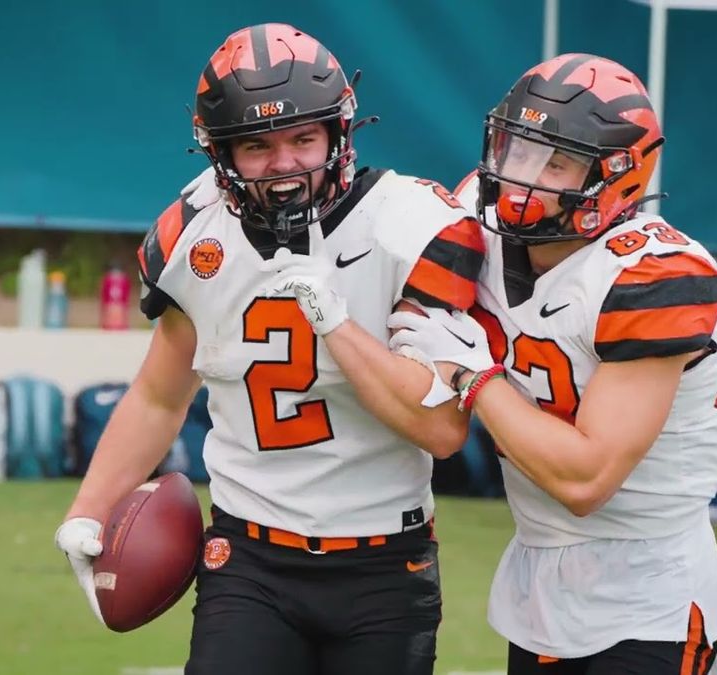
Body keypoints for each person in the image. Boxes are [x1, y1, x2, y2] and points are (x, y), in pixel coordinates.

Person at [55, 23, 486, 675]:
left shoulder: (410, 225)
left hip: (383, 565)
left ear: (340, 134)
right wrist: (88, 512)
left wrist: (338, 327)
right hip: (248, 560)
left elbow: (441, 428)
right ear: (220, 152)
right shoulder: (193, 236)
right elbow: (158, 394)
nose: (284, 163)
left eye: (303, 138)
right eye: (257, 144)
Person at [390, 53, 717, 674]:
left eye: (558, 162)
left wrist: (473, 376)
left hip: (646, 585)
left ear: (618, 176)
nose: (524, 179)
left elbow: (586, 482)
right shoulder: (474, 218)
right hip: (538, 574)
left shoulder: (655, 274)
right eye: (519, 150)